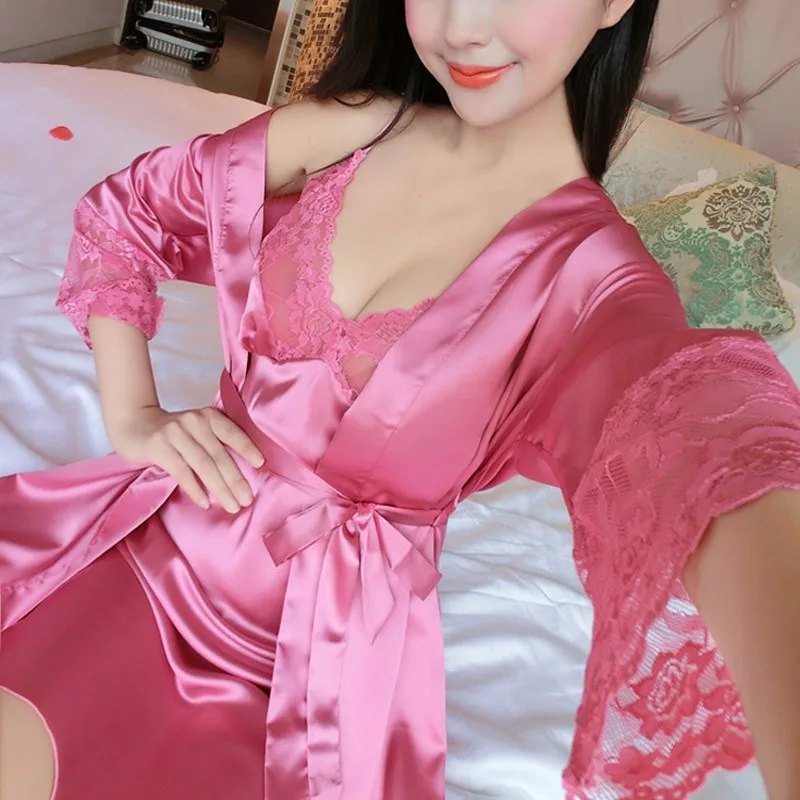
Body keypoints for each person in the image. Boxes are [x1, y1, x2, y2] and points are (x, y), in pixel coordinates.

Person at [2, 0, 800, 797]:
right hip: (152, 537)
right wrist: (134, 415)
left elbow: (709, 448)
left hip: (311, 658)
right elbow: (130, 211)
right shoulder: (361, 125)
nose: (462, 26)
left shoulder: (595, 279)